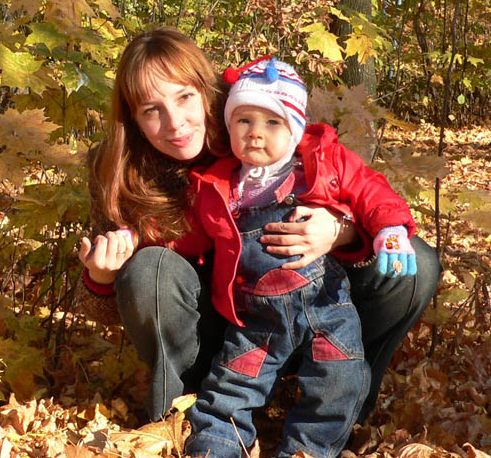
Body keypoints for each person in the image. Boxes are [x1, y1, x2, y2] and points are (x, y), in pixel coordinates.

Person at [76, 27, 440, 426]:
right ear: (134, 120)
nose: (175, 122)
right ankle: (183, 412)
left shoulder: (258, 118)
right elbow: (101, 308)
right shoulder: (120, 171)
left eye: (184, 98)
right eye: (151, 110)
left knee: (416, 265)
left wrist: (341, 228)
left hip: (311, 305)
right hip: (217, 326)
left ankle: (342, 404)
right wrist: (102, 275)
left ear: (206, 92)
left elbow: (357, 189)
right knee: (150, 269)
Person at [176, 56, 417, 458]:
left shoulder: (321, 165)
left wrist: (389, 229)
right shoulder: (218, 186)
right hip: (257, 317)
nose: (255, 133)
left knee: (338, 379)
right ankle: (214, 452)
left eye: (272, 122)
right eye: (244, 121)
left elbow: (371, 190)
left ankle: (305, 457)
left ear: (295, 128)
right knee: (232, 383)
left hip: (327, 307)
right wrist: (138, 239)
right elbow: (187, 234)